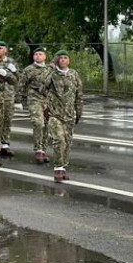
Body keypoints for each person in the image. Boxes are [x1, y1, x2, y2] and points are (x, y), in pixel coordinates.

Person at [43, 50, 83, 182]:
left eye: (66, 58)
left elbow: (79, 94)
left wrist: (79, 110)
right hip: (55, 114)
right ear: (57, 60)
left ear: (69, 60)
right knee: (59, 140)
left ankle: (63, 167)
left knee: (67, 142)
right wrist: (51, 68)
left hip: (69, 115)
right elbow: (42, 87)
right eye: (61, 58)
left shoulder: (74, 74)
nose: (63, 60)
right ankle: (57, 168)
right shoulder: (52, 74)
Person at [19, 47, 51, 164]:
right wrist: (19, 100)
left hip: (47, 101)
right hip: (34, 100)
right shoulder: (29, 70)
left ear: (45, 56)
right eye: (36, 54)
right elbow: (22, 85)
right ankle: (38, 149)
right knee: (38, 123)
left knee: (47, 125)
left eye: (40, 54)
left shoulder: (50, 70)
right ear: (33, 57)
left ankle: (43, 149)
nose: (38, 56)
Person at [0, 41, 20, 157]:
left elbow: (18, 79)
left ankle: (5, 144)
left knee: (7, 119)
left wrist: (14, 71)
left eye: (1, 48)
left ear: (6, 50)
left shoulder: (11, 62)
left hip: (9, 95)